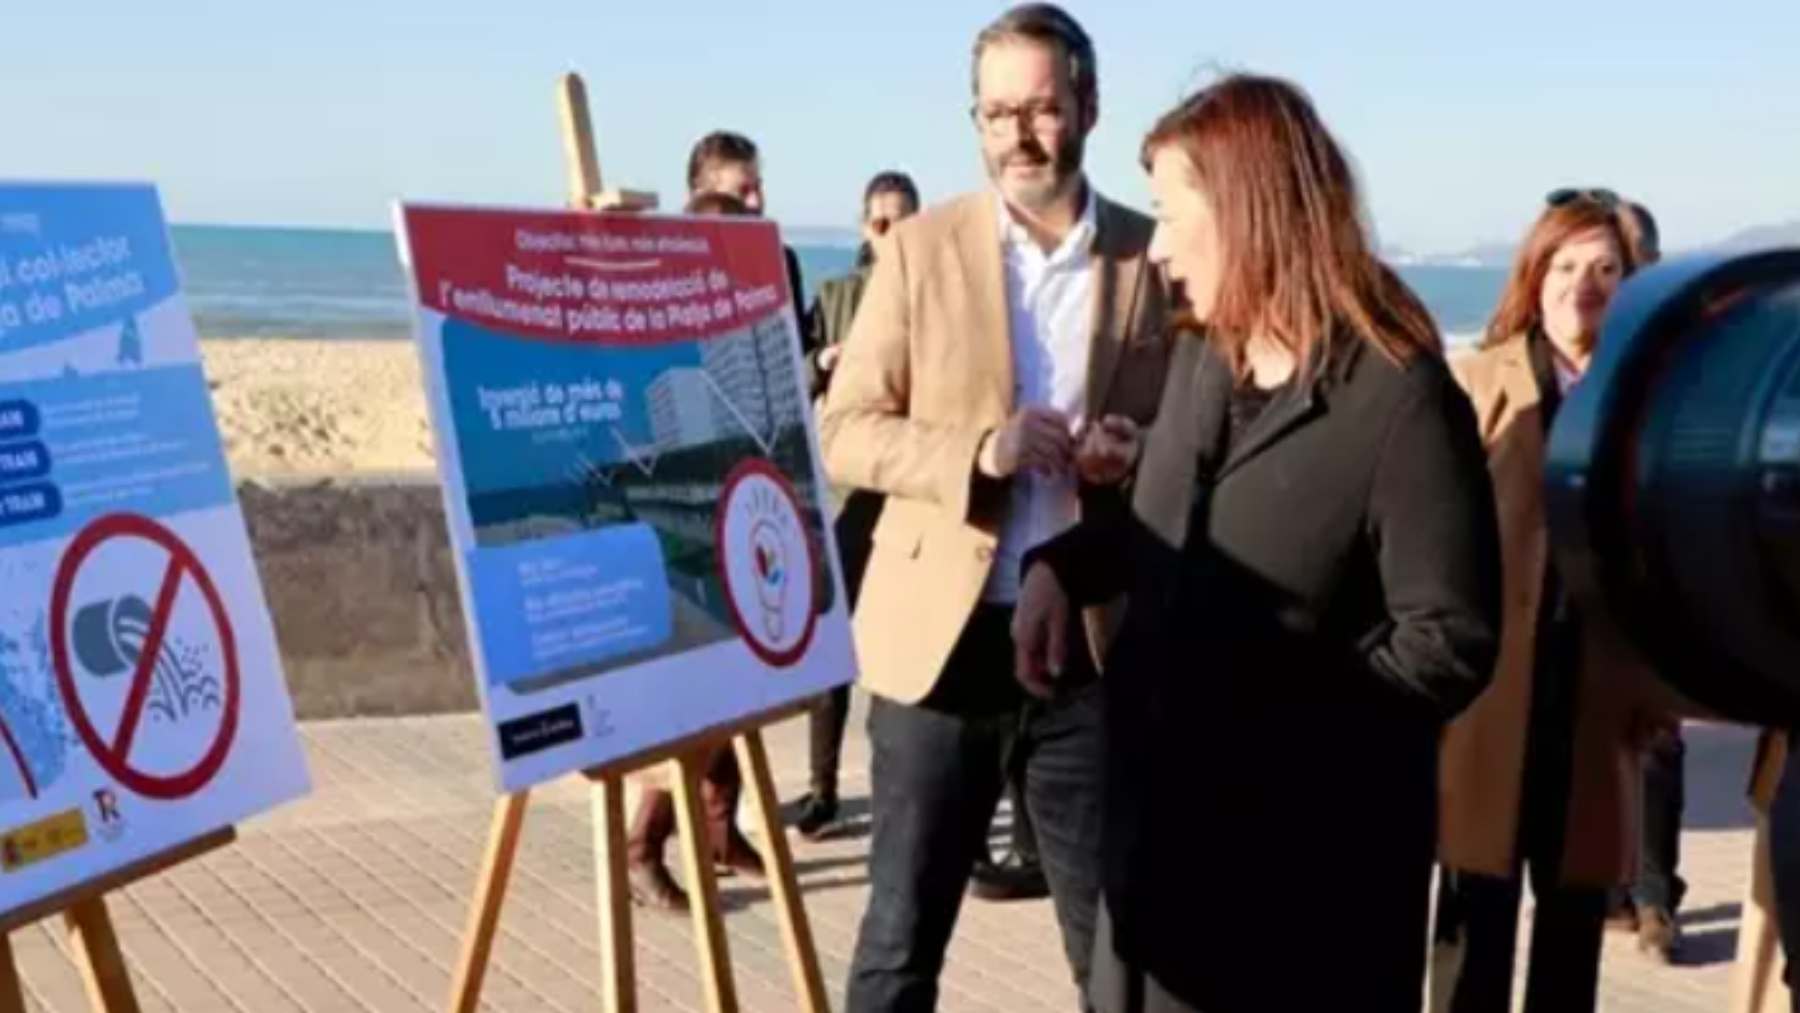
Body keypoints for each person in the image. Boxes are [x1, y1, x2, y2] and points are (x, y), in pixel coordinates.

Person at [1012, 72, 1502, 1012]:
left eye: (1168, 213)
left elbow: (1451, 637)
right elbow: (1167, 528)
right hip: (1156, 850)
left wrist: (1279, 707)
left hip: (1301, 885)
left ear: (1247, 210)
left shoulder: (1401, 398)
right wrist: (1059, 569)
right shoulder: (1204, 354)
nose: (1153, 248)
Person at [819, 5, 1170, 1008]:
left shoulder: (1155, 256)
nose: (1018, 135)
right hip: (941, 651)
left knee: (1113, 950)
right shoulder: (921, 249)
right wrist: (980, 449)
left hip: (1093, 652)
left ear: (1089, 107)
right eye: (996, 112)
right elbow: (845, 427)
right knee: (898, 943)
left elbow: (1197, 435)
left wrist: (1135, 454)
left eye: (1042, 108)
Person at [1431, 189, 1664, 1012]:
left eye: (1606, 268)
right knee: (1472, 931)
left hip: (1596, 700)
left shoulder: (1646, 394)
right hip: (1493, 689)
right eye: (1564, 265)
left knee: (1572, 936)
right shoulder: (1477, 380)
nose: (1583, 285)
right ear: (1533, 275)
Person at [624, 186, 775, 912]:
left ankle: (717, 828)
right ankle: (643, 844)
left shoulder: (746, 303)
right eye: (741, 195)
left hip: (745, 512)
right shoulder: (668, 304)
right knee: (690, 703)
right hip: (684, 522)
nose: (757, 201)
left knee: (742, 694)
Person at [789, 170, 921, 841]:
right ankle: (821, 789)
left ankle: (908, 792)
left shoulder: (937, 297)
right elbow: (800, 368)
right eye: (879, 221)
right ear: (863, 228)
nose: (891, 233)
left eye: (903, 219)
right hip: (848, 495)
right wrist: (824, 359)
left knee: (910, 653)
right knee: (834, 647)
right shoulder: (837, 295)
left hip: (915, 497)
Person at [1601, 198, 1687, 962]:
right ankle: (1618, 888)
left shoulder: (1673, 344)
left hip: (1655, 574)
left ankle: (1657, 896)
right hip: (1589, 577)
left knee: (1656, 744)